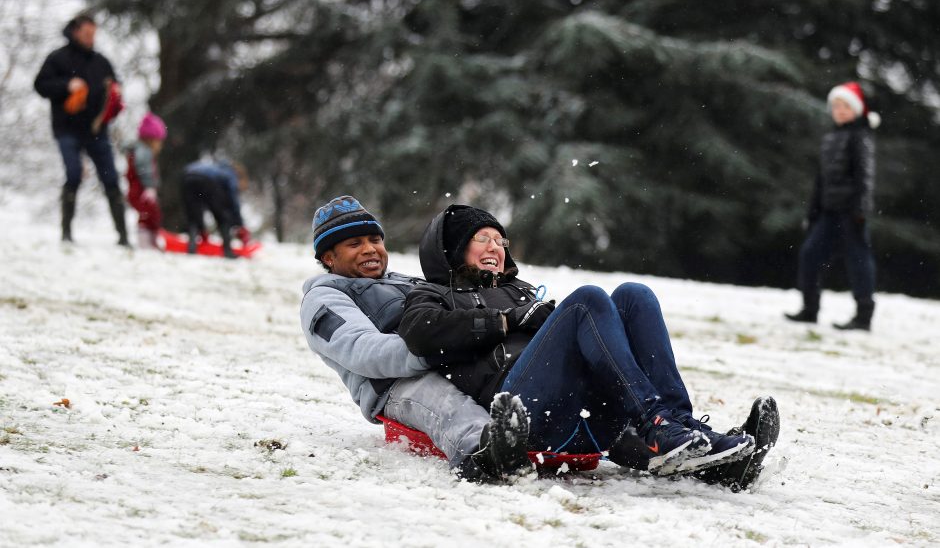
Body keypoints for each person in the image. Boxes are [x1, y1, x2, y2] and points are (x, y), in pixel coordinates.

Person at [400, 205, 766, 479]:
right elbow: (419, 332)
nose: (495, 245)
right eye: (483, 238)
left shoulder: (521, 292)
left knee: (633, 295)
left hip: (590, 420)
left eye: (500, 239)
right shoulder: (431, 294)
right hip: (526, 417)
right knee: (587, 299)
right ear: (453, 248)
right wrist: (505, 321)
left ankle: (678, 427)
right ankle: (656, 423)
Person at [299, 196, 531, 482]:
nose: (370, 249)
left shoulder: (407, 281)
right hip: (393, 384)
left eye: (375, 239)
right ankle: (482, 452)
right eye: (354, 244)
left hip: (448, 358)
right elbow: (362, 350)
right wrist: (435, 348)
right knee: (443, 402)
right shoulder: (324, 299)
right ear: (329, 257)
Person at [786, 81, 879, 331]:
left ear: (856, 109)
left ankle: (863, 315)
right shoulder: (830, 137)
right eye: (836, 106)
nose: (839, 110)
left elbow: (865, 176)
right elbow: (821, 179)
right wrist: (813, 211)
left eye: (845, 105)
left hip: (851, 212)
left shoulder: (861, 136)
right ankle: (809, 310)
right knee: (809, 254)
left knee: (858, 260)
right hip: (828, 211)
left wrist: (861, 209)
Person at [34, 14, 128, 246]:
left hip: (97, 130)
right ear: (75, 32)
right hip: (67, 129)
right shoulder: (57, 59)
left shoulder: (101, 62)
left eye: (93, 34)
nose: (90, 38)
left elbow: (115, 85)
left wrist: (115, 92)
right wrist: (66, 85)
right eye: (86, 33)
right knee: (74, 174)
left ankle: (124, 237)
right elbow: (40, 85)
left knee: (111, 178)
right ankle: (66, 233)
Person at [180, 159, 251, 259]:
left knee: (193, 216)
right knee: (222, 216)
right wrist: (240, 224)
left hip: (188, 178)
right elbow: (233, 200)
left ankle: (191, 248)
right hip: (206, 181)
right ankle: (228, 251)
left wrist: (201, 227)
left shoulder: (215, 168)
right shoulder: (230, 173)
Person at [125, 112, 167, 250]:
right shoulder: (143, 152)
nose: (160, 146)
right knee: (150, 215)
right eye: (159, 142)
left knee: (150, 215)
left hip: (138, 191)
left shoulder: (138, 151)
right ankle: (147, 243)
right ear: (150, 140)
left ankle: (151, 241)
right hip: (141, 191)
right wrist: (149, 187)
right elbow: (145, 171)